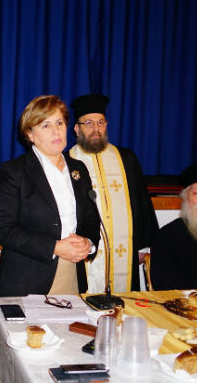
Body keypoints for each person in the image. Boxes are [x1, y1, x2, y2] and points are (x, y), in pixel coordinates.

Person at [0, 95, 100, 297]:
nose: (56, 131)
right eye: (45, 125)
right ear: (30, 134)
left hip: (71, 274)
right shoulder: (14, 171)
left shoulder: (79, 169)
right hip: (26, 280)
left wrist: (88, 243)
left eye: (59, 123)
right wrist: (54, 247)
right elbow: (2, 230)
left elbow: (91, 219)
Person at [69, 94, 158, 292]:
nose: (96, 128)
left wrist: (143, 246)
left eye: (100, 122)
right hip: (84, 252)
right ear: (77, 128)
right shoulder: (68, 161)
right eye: (88, 123)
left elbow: (142, 203)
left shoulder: (126, 158)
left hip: (123, 252)